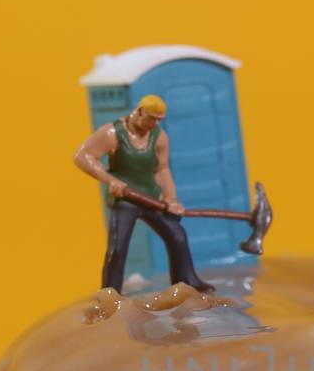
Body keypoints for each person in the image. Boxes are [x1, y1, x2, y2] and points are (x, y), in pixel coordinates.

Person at [72, 95, 215, 293]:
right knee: (118, 247)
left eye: (159, 119)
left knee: (177, 235)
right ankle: (109, 293)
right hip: (126, 200)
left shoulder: (160, 136)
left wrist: (171, 199)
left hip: (150, 199)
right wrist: (110, 180)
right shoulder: (112, 133)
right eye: (151, 118)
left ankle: (187, 282)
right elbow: (82, 157)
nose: (154, 123)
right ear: (138, 112)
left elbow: (162, 169)